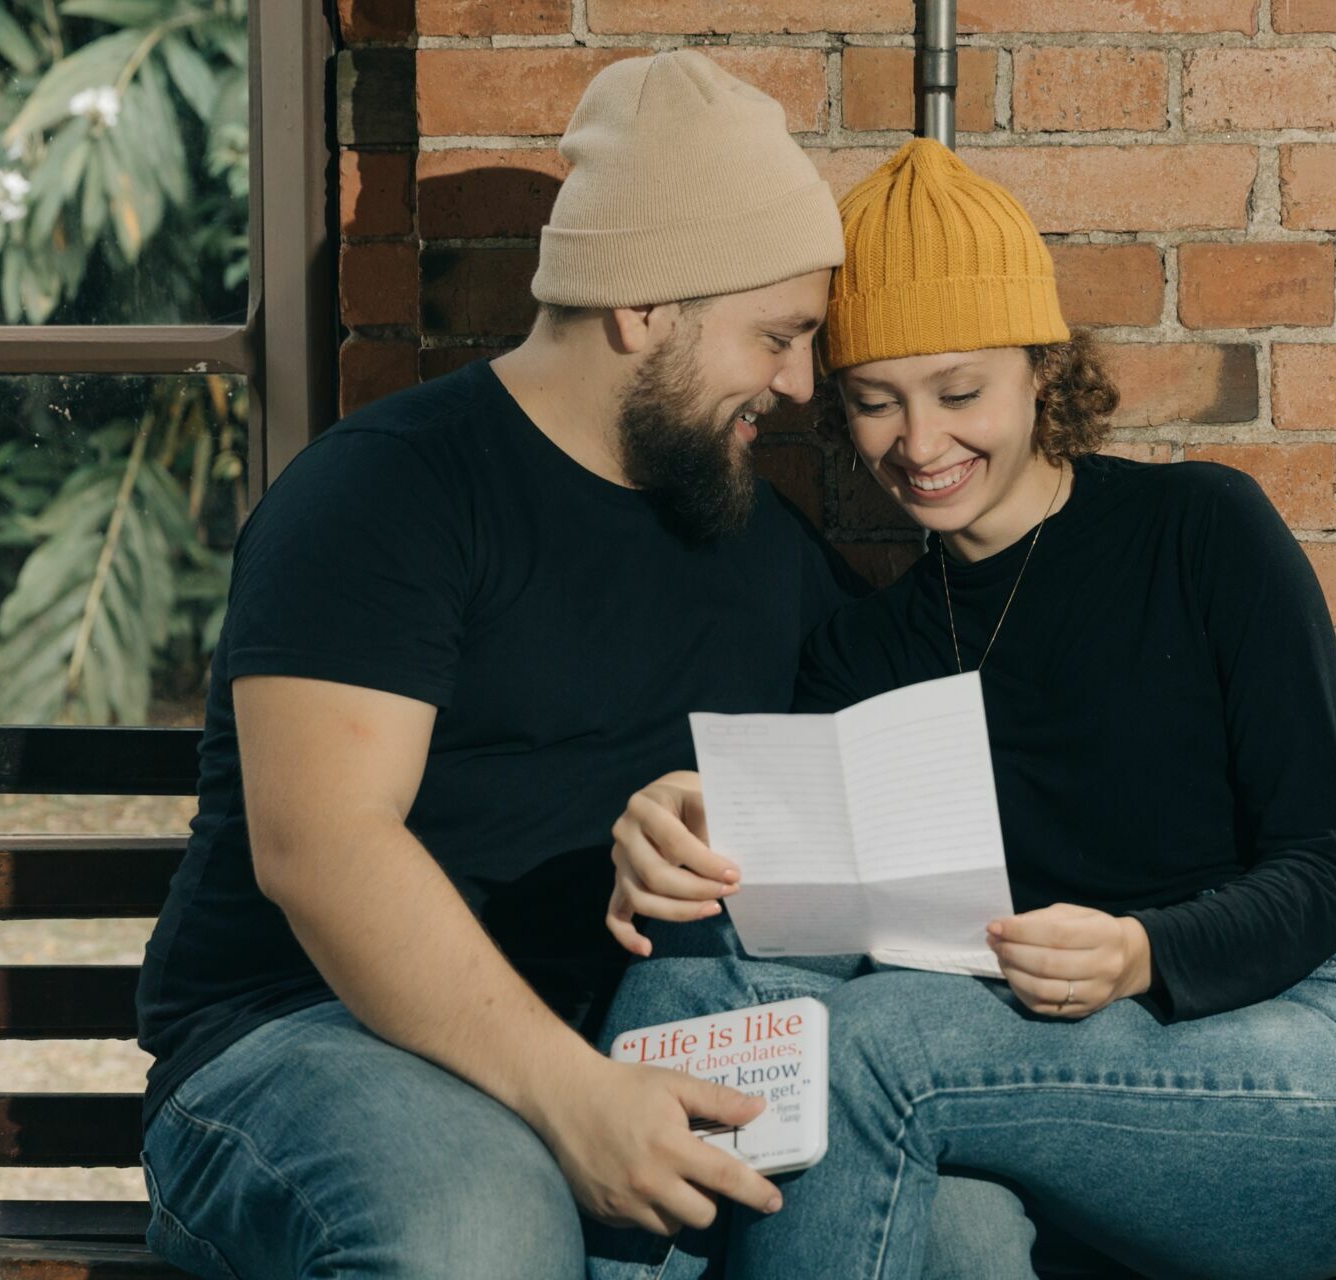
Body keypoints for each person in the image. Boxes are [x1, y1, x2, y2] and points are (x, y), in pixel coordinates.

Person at [133, 55, 1030, 1280]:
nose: (800, 383)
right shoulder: (386, 491)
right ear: (645, 305)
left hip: (642, 1043)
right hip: (305, 1036)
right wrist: (574, 1097)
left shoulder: (752, 535)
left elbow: (903, 766)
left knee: (966, 1236)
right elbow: (323, 846)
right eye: (777, 334)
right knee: (477, 1222)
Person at [596, 138, 1336, 1280]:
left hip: (1308, 1052)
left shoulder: (1202, 532)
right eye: (875, 402)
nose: (922, 444)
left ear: (1041, 367)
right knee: (705, 994)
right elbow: (799, 944)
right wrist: (698, 831)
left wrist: (1144, 950)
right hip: (1026, 1077)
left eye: (960, 391)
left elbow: (1327, 868)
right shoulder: (858, 655)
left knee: (861, 1049)